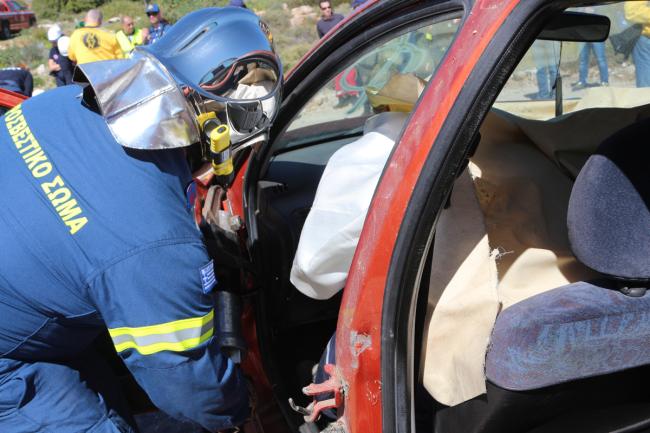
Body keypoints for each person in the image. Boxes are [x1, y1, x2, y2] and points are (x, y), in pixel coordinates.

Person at [0, 7, 282, 433]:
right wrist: (242, 406)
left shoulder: (60, 103)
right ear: (216, 123)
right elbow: (185, 383)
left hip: (23, 308)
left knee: (106, 387)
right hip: (11, 361)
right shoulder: (155, 243)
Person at [291, 73, 425, 299]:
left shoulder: (351, 159)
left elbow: (313, 268)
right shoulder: (438, 151)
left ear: (384, 107)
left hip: (382, 294)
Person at [625, 2, 650, 87]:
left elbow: (631, 11)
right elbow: (631, 12)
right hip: (646, 41)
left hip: (646, 41)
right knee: (645, 87)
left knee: (645, 87)